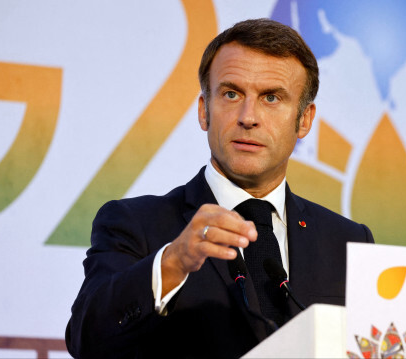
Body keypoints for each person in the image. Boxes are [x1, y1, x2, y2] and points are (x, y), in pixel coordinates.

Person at [65, 18, 374, 359]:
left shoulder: (349, 242)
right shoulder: (135, 224)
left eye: (271, 98)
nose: (248, 116)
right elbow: (86, 340)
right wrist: (174, 262)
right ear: (204, 111)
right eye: (231, 94)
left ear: (304, 120)